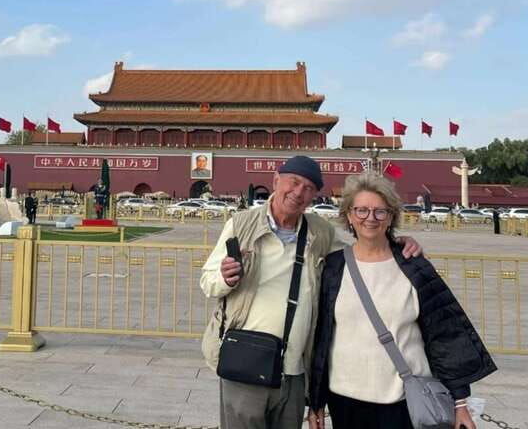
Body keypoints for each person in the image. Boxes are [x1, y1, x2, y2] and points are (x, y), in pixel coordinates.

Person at [200, 156, 423, 429]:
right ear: (275, 181)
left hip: (293, 370)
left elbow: (358, 252)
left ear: (313, 196)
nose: (298, 192)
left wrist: (397, 243)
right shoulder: (241, 225)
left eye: (308, 188)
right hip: (245, 365)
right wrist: (224, 278)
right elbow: (208, 281)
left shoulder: (319, 232)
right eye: (293, 182)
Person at [308, 172, 495, 429]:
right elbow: (322, 337)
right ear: (349, 216)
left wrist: (460, 402)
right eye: (361, 210)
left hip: (403, 401)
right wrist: (316, 401)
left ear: (391, 216)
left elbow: (445, 335)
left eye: (380, 211)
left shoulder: (413, 266)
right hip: (345, 400)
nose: (370, 218)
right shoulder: (333, 267)